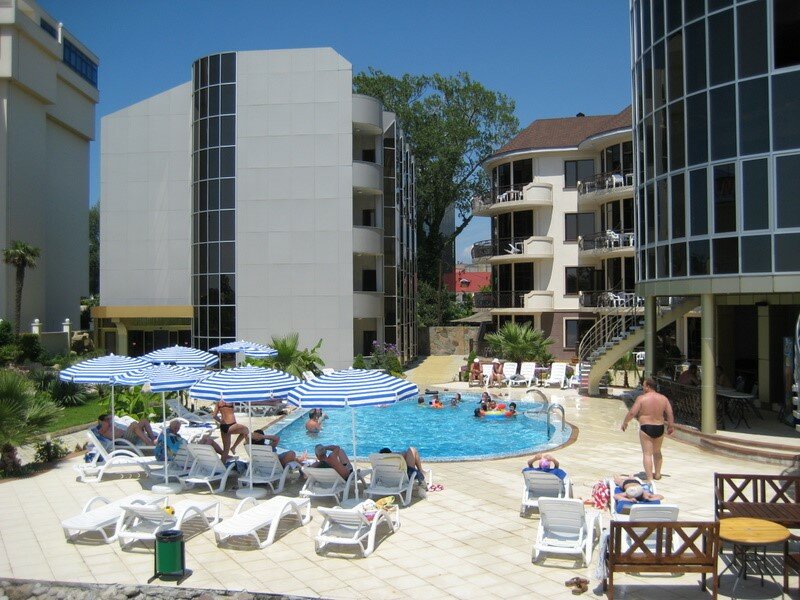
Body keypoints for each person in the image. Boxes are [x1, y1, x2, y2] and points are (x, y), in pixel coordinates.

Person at [621, 377, 675, 481]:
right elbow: (670, 413)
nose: (643, 388)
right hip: (659, 427)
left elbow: (632, 412)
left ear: (648, 387)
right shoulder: (663, 398)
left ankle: (650, 478)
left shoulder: (641, 398)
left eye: (644, 386)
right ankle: (658, 474)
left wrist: (625, 422)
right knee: (657, 452)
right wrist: (670, 426)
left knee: (647, 454)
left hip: (646, 427)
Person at [154, 419, 225, 461]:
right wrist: (195, 444)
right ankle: (224, 455)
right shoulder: (170, 436)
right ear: (171, 426)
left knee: (206, 440)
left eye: (178, 428)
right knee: (209, 441)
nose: (177, 429)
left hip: (172, 454)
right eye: (175, 428)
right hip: (172, 457)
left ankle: (224, 455)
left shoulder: (166, 432)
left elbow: (182, 444)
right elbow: (181, 447)